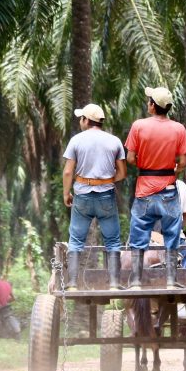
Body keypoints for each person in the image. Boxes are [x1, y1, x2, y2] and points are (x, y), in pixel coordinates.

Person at [125, 86, 186, 288]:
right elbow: (184, 161)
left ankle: (135, 279)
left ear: (153, 106)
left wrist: (146, 166)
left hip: (144, 190)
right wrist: (172, 171)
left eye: (149, 101)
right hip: (169, 191)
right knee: (172, 233)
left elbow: (129, 158)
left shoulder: (138, 126)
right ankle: (171, 280)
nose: (148, 104)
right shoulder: (179, 129)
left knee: (139, 234)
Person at [62, 103, 127, 290]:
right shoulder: (114, 141)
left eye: (80, 118)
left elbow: (68, 172)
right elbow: (122, 173)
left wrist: (67, 194)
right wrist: (104, 180)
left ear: (85, 120)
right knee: (113, 240)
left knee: (76, 240)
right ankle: (114, 283)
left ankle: (73, 283)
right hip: (106, 195)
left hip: (81, 196)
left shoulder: (76, 140)